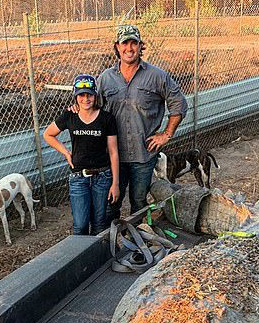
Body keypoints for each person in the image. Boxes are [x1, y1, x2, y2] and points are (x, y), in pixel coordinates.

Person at [97, 24, 188, 220]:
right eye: (124, 43)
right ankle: (112, 245)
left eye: (134, 43)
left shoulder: (157, 76)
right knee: (112, 202)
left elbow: (179, 103)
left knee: (138, 201)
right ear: (117, 47)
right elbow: (92, 108)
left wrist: (166, 134)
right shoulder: (105, 79)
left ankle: (137, 241)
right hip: (114, 156)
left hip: (144, 154)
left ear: (140, 46)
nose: (129, 48)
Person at [44, 74, 120, 235]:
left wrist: (115, 183)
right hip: (79, 178)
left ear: (95, 95)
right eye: (81, 95)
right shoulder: (70, 116)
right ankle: (81, 258)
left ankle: (99, 257)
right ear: (75, 96)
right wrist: (65, 152)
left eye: (89, 94)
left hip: (102, 176)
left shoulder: (107, 119)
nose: (86, 99)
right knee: (80, 225)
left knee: (100, 223)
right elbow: (48, 134)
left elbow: (113, 152)